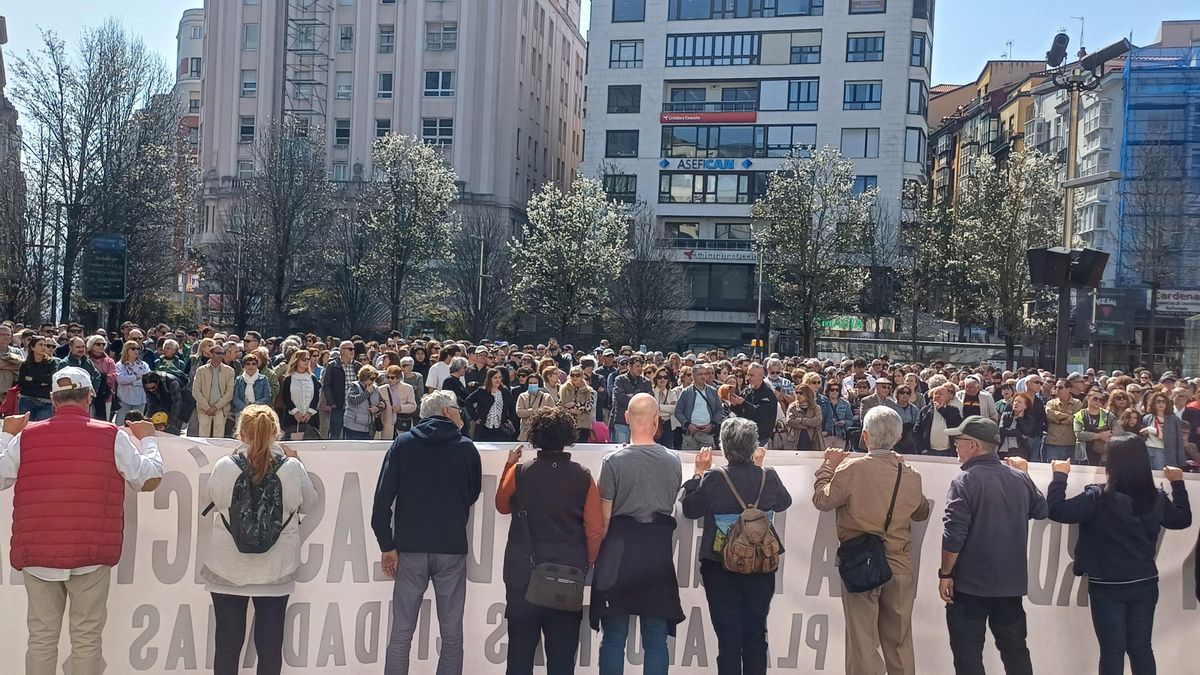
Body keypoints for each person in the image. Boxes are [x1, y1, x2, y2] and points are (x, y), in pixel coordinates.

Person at [0, 366, 163, 675]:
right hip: (90, 553)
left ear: (53, 399)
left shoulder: (27, 437)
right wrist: (150, 441)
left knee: (41, 639)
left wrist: (6, 435)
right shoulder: (111, 436)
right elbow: (148, 479)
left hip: (38, 552)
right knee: (86, 639)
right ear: (90, 397)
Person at [1046, 435, 1191, 675]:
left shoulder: (1097, 497)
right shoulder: (1156, 498)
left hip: (1107, 585)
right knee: (1142, 648)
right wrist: (1178, 483)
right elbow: (1182, 520)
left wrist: (1060, 476)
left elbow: (1057, 510)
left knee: (1112, 652)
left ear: (1111, 465)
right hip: (1144, 582)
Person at [813, 407, 931, 675]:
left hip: (861, 564)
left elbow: (822, 500)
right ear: (898, 438)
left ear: (865, 436)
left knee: (862, 644)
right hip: (899, 565)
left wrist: (827, 468)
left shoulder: (851, 468)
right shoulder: (910, 474)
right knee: (899, 644)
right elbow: (921, 511)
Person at [201, 405, 316, 675]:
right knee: (270, 647)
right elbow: (310, 503)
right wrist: (298, 463)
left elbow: (212, 499)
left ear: (240, 434)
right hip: (276, 569)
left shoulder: (225, 466)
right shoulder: (292, 467)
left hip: (227, 567)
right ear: (276, 432)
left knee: (227, 646)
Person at [372, 390, 481, 675]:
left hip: (409, 548)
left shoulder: (403, 444)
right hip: (451, 547)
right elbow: (471, 494)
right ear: (446, 412)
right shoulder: (466, 447)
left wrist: (387, 545)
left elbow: (382, 501)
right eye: (458, 409)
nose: (461, 414)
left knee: (401, 632)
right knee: (452, 635)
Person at [495, 407, 604, 675]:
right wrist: (588, 561)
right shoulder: (583, 475)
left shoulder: (521, 472)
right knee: (562, 659)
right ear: (568, 437)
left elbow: (502, 506)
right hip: (567, 575)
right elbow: (594, 529)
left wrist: (509, 465)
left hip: (523, 573)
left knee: (520, 654)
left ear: (535, 437)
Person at [681, 417, 792, 675]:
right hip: (761, 567)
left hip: (720, 568)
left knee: (728, 640)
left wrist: (697, 475)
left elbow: (689, 509)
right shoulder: (769, 476)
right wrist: (761, 470)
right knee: (756, 636)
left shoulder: (715, 478)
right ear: (754, 446)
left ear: (724, 446)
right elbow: (784, 502)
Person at [940, 416, 1047, 675]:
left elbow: (954, 534)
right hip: (1009, 584)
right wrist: (1026, 475)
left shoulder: (964, 481)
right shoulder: (1019, 479)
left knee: (968, 657)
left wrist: (945, 574)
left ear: (973, 446)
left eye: (959, 441)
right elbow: (1041, 509)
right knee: (1015, 652)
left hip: (970, 585)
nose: (955, 445)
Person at [592, 393, 684, 675]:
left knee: (614, 636)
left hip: (618, 552)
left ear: (627, 418)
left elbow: (603, 518)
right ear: (657, 421)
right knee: (656, 638)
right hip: (657, 553)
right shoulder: (674, 460)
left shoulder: (613, 461)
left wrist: (594, 558)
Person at [674, 363, 726, 451]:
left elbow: (719, 410)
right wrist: (687, 424)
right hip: (690, 434)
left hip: (707, 433)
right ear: (693, 376)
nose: (703, 376)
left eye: (705, 374)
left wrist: (712, 424)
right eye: (700, 374)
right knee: (689, 462)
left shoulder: (713, 391)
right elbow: (678, 412)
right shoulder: (686, 392)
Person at [192, 342, 235, 438]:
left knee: (218, 439)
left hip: (221, 409)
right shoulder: (201, 370)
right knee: (203, 437)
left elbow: (230, 393)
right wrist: (207, 408)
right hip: (204, 409)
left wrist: (216, 407)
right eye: (217, 353)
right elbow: (196, 391)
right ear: (211, 354)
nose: (220, 355)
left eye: (222, 353)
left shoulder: (229, 371)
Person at [731, 363, 779, 446]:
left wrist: (743, 403)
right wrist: (734, 404)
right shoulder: (747, 391)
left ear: (760, 376)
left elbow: (760, 414)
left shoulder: (767, 393)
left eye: (751, 375)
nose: (748, 378)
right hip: (744, 436)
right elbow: (739, 412)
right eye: (748, 374)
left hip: (760, 438)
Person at [17, 336, 63, 421]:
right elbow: (22, 383)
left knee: (42, 429)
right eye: (41, 345)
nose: (44, 347)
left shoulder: (51, 363)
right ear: (32, 347)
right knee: (24, 427)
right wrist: (41, 382)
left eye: (45, 345)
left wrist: (31, 379)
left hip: (45, 402)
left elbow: (50, 380)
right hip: (26, 400)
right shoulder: (25, 364)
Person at [466, 367, 517, 441]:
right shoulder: (482, 391)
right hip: (484, 429)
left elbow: (512, 406)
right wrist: (475, 417)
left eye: (499, 377)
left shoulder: (505, 391)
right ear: (490, 379)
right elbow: (468, 401)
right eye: (495, 377)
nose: (498, 380)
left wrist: (510, 420)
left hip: (501, 430)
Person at [610, 356, 652, 444]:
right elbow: (620, 397)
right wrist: (638, 399)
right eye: (637, 366)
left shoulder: (646, 382)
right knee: (622, 449)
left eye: (641, 366)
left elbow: (649, 399)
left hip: (640, 423)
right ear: (629, 366)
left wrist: (631, 396)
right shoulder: (619, 379)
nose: (640, 369)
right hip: (622, 421)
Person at [320, 341, 358, 439]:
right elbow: (326, 385)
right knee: (335, 435)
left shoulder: (357, 366)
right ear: (342, 351)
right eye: (350, 349)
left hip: (354, 408)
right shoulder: (332, 366)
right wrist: (331, 402)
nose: (352, 351)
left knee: (352, 436)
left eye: (353, 349)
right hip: (338, 407)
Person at [1141, 392, 1186, 470]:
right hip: (1147, 449)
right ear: (1153, 404)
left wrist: (1152, 430)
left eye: (1163, 401)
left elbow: (1176, 439)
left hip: (1162, 451)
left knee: (1160, 474)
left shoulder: (1174, 419)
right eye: (1158, 401)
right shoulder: (1147, 418)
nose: (1161, 404)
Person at [281, 349, 321, 439]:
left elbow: (316, 397)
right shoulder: (289, 378)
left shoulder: (312, 378)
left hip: (311, 418)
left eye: (308, 359)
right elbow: (286, 397)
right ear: (297, 361)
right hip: (292, 417)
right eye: (303, 359)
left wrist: (309, 413)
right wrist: (296, 412)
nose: (306, 361)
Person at [915, 385, 963, 456]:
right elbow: (917, 430)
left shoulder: (953, 410)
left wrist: (941, 410)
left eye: (941, 394)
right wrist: (922, 449)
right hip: (929, 452)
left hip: (949, 452)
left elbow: (956, 425)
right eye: (935, 394)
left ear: (947, 397)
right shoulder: (925, 410)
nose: (937, 396)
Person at [1044, 379, 1083, 462]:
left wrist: (1057, 419)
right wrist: (1068, 417)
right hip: (1053, 443)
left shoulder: (1077, 403)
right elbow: (1049, 415)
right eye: (1056, 387)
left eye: (1060, 387)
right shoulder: (1051, 403)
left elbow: (1076, 419)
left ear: (1069, 389)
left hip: (1070, 444)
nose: (1057, 390)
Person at [1074, 389, 1115, 466]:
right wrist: (1099, 436)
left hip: (1103, 454)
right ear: (1088, 399)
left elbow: (1118, 430)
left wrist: (1111, 434)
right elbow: (1078, 434)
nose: (1098, 401)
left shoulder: (1108, 415)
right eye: (1095, 399)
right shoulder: (1080, 415)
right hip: (1084, 454)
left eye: (1101, 399)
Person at [379, 365, 418, 440]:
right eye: (388, 377)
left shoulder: (408, 388)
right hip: (387, 426)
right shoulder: (381, 389)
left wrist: (401, 408)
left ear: (398, 378)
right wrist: (380, 406)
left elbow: (413, 406)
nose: (389, 380)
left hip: (402, 425)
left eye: (392, 377)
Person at [344, 365, 383, 440]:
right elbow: (354, 401)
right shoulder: (354, 387)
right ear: (365, 377)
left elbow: (382, 403)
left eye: (375, 378)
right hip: (354, 426)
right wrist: (367, 392)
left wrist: (377, 408)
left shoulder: (375, 388)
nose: (373, 381)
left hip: (369, 427)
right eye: (372, 379)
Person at [560, 366, 596, 443]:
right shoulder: (563, 389)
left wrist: (575, 405)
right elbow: (561, 405)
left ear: (582, 376)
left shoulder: (589, 390)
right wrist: (574, 410)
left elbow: (589, 407)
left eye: (577, 375)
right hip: (568, 425)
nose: (575, 377)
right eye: (572, 375)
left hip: (583, 425)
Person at [231, 352, 272, 423]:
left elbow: (267, 397)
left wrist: (254, 405)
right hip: (242, 412)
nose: (251, 366)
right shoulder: (239, 379)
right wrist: (245, 407)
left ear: (257, 366)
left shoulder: (263, 379)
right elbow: (235, 398)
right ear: (244, 366)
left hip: (259, 412)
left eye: (253, 364)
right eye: (248, 364)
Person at [515, 373, 555, 441]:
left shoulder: (547, 397)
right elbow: (519, 412)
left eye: (535, 383)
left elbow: (553, 413)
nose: (532, 385)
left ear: (539, 384)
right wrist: (535, 410)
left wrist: (528, 411)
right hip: (525, 433)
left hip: (542, 434)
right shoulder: (522, 396)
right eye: (530, 383)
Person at [86, 334, 117, 421]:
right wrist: (102, 375)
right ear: (91, 344)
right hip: (88, 396)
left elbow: (113, 376)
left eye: (103, 344)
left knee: (104, 421)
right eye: (98, 344)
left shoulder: (109, 361)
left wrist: (98, 376)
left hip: (105, 396)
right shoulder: (86, 360)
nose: (101, 346)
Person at [785, 384, 824, 451]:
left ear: (807, 394)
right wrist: (807, 425)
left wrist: (801, 420)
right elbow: (790, 421)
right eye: (796, 393)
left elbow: (818, 421)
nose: (798, 395)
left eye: (801, 393)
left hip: (812, 440)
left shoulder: (816, 407)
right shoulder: (792, 407)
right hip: (795, 441)